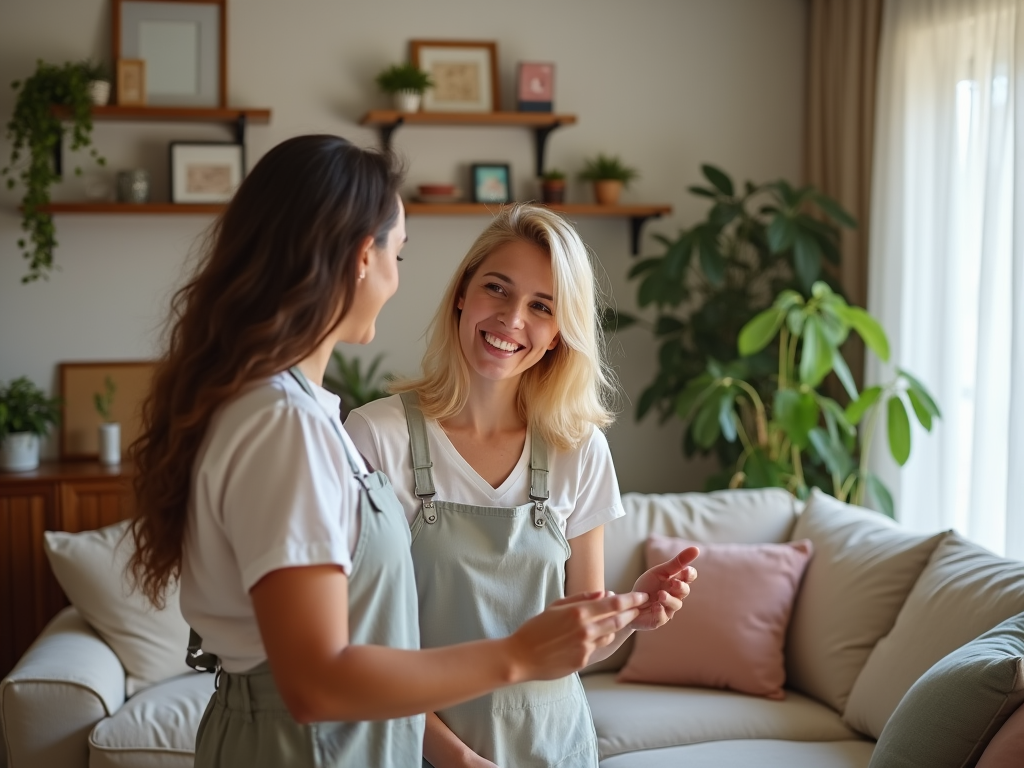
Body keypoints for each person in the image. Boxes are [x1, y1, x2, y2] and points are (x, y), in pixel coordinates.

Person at [125, 136, 650, 768]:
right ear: (358, 258)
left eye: (541, 306)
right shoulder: (284, 427)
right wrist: (516, 656)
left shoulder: (299, 415)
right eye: (397, 254)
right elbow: (316, 681)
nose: (398, 280)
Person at [345, 203, 699, 768]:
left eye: (542, 306)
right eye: (497, 289)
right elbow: (362, 643)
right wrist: (455, 759)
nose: (512, 319)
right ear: (462, 292)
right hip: (419, 753)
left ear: (560, 333)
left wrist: (633, 613)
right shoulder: (375, 437)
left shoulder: (577, 449)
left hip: (554, 749)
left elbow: (575, 647)